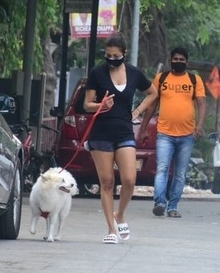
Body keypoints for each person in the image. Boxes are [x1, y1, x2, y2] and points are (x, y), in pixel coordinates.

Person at [84, 33, 158, 243]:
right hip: (101, 133)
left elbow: (153, 93)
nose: (111, 59)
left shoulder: (134, 73)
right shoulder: (97, 73)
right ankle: (111, 230)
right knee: (106, 182)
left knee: (129, 179)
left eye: (115, 55)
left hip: (125, 131)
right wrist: (100, 106)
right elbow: (87, 104)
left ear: (124, 54)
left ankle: (120, 214)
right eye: (108, 55)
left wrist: (138, 112)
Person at [139, 47, 206, 218]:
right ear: (170, 60)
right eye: (175, 59)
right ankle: (160, 203)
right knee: (162, 169)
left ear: (187, 62)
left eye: (181, 59)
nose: (178, 62)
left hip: (187, 136)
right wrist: (144, 128)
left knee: (180, 173)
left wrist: (200, 125)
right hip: (165, 134)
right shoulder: (161, 79)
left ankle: (173, 207)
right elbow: (152, 104)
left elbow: (202, 104)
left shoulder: (194, 80)